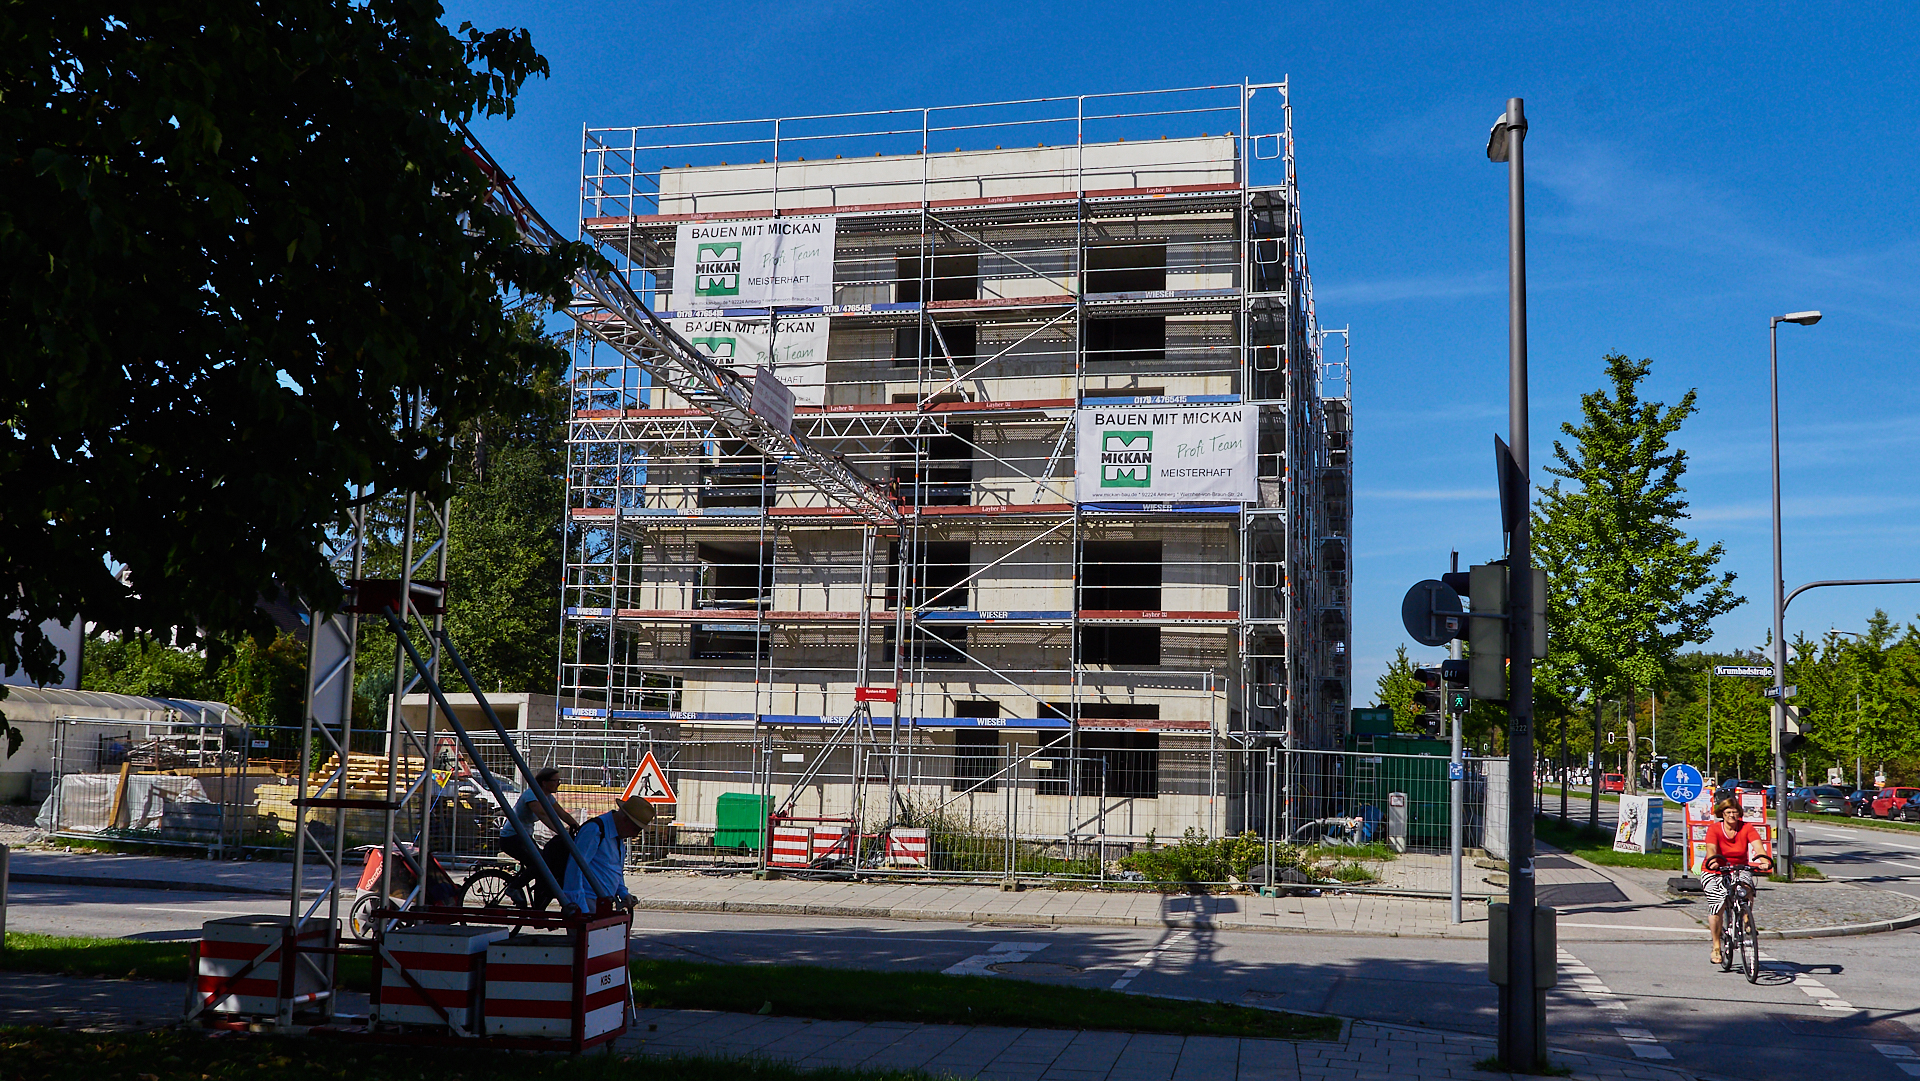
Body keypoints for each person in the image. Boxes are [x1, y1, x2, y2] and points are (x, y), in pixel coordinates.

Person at [498, 767, 581, 911]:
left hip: (525, 837)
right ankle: (513, 888)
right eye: (555, 781)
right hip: (512, 838)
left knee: (545, 865)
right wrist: (562, 833)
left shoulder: (547, 796)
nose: (558, 784)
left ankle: (539, 907)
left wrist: (578, 827)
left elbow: (561, 813)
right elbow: (543, 815)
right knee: (540, 865)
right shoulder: (531, 795)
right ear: (544, 782)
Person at [560, 796, 655, 916]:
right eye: (636, 829)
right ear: (625, 820)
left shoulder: (617, 836)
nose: (635, 835)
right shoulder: (595, 830)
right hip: (587, 902)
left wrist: (623, 893)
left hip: (602, 903)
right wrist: (582, 911)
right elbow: (574, 871)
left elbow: (614, 870)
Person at [1701, 796, 1766, 964]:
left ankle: (1746, 917)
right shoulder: (1715, 829)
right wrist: (1713, 860)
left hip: (1738, 867)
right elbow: (1711, 847)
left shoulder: (1746, 828)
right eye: (1728, 812)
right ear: (1722, 814)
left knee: (1747, 886)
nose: (1732, 815)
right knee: (1718, 904)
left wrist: (1764, 860)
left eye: (1735, 812)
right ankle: (1716, 946)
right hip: (1715, 870)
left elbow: (1757, 845)